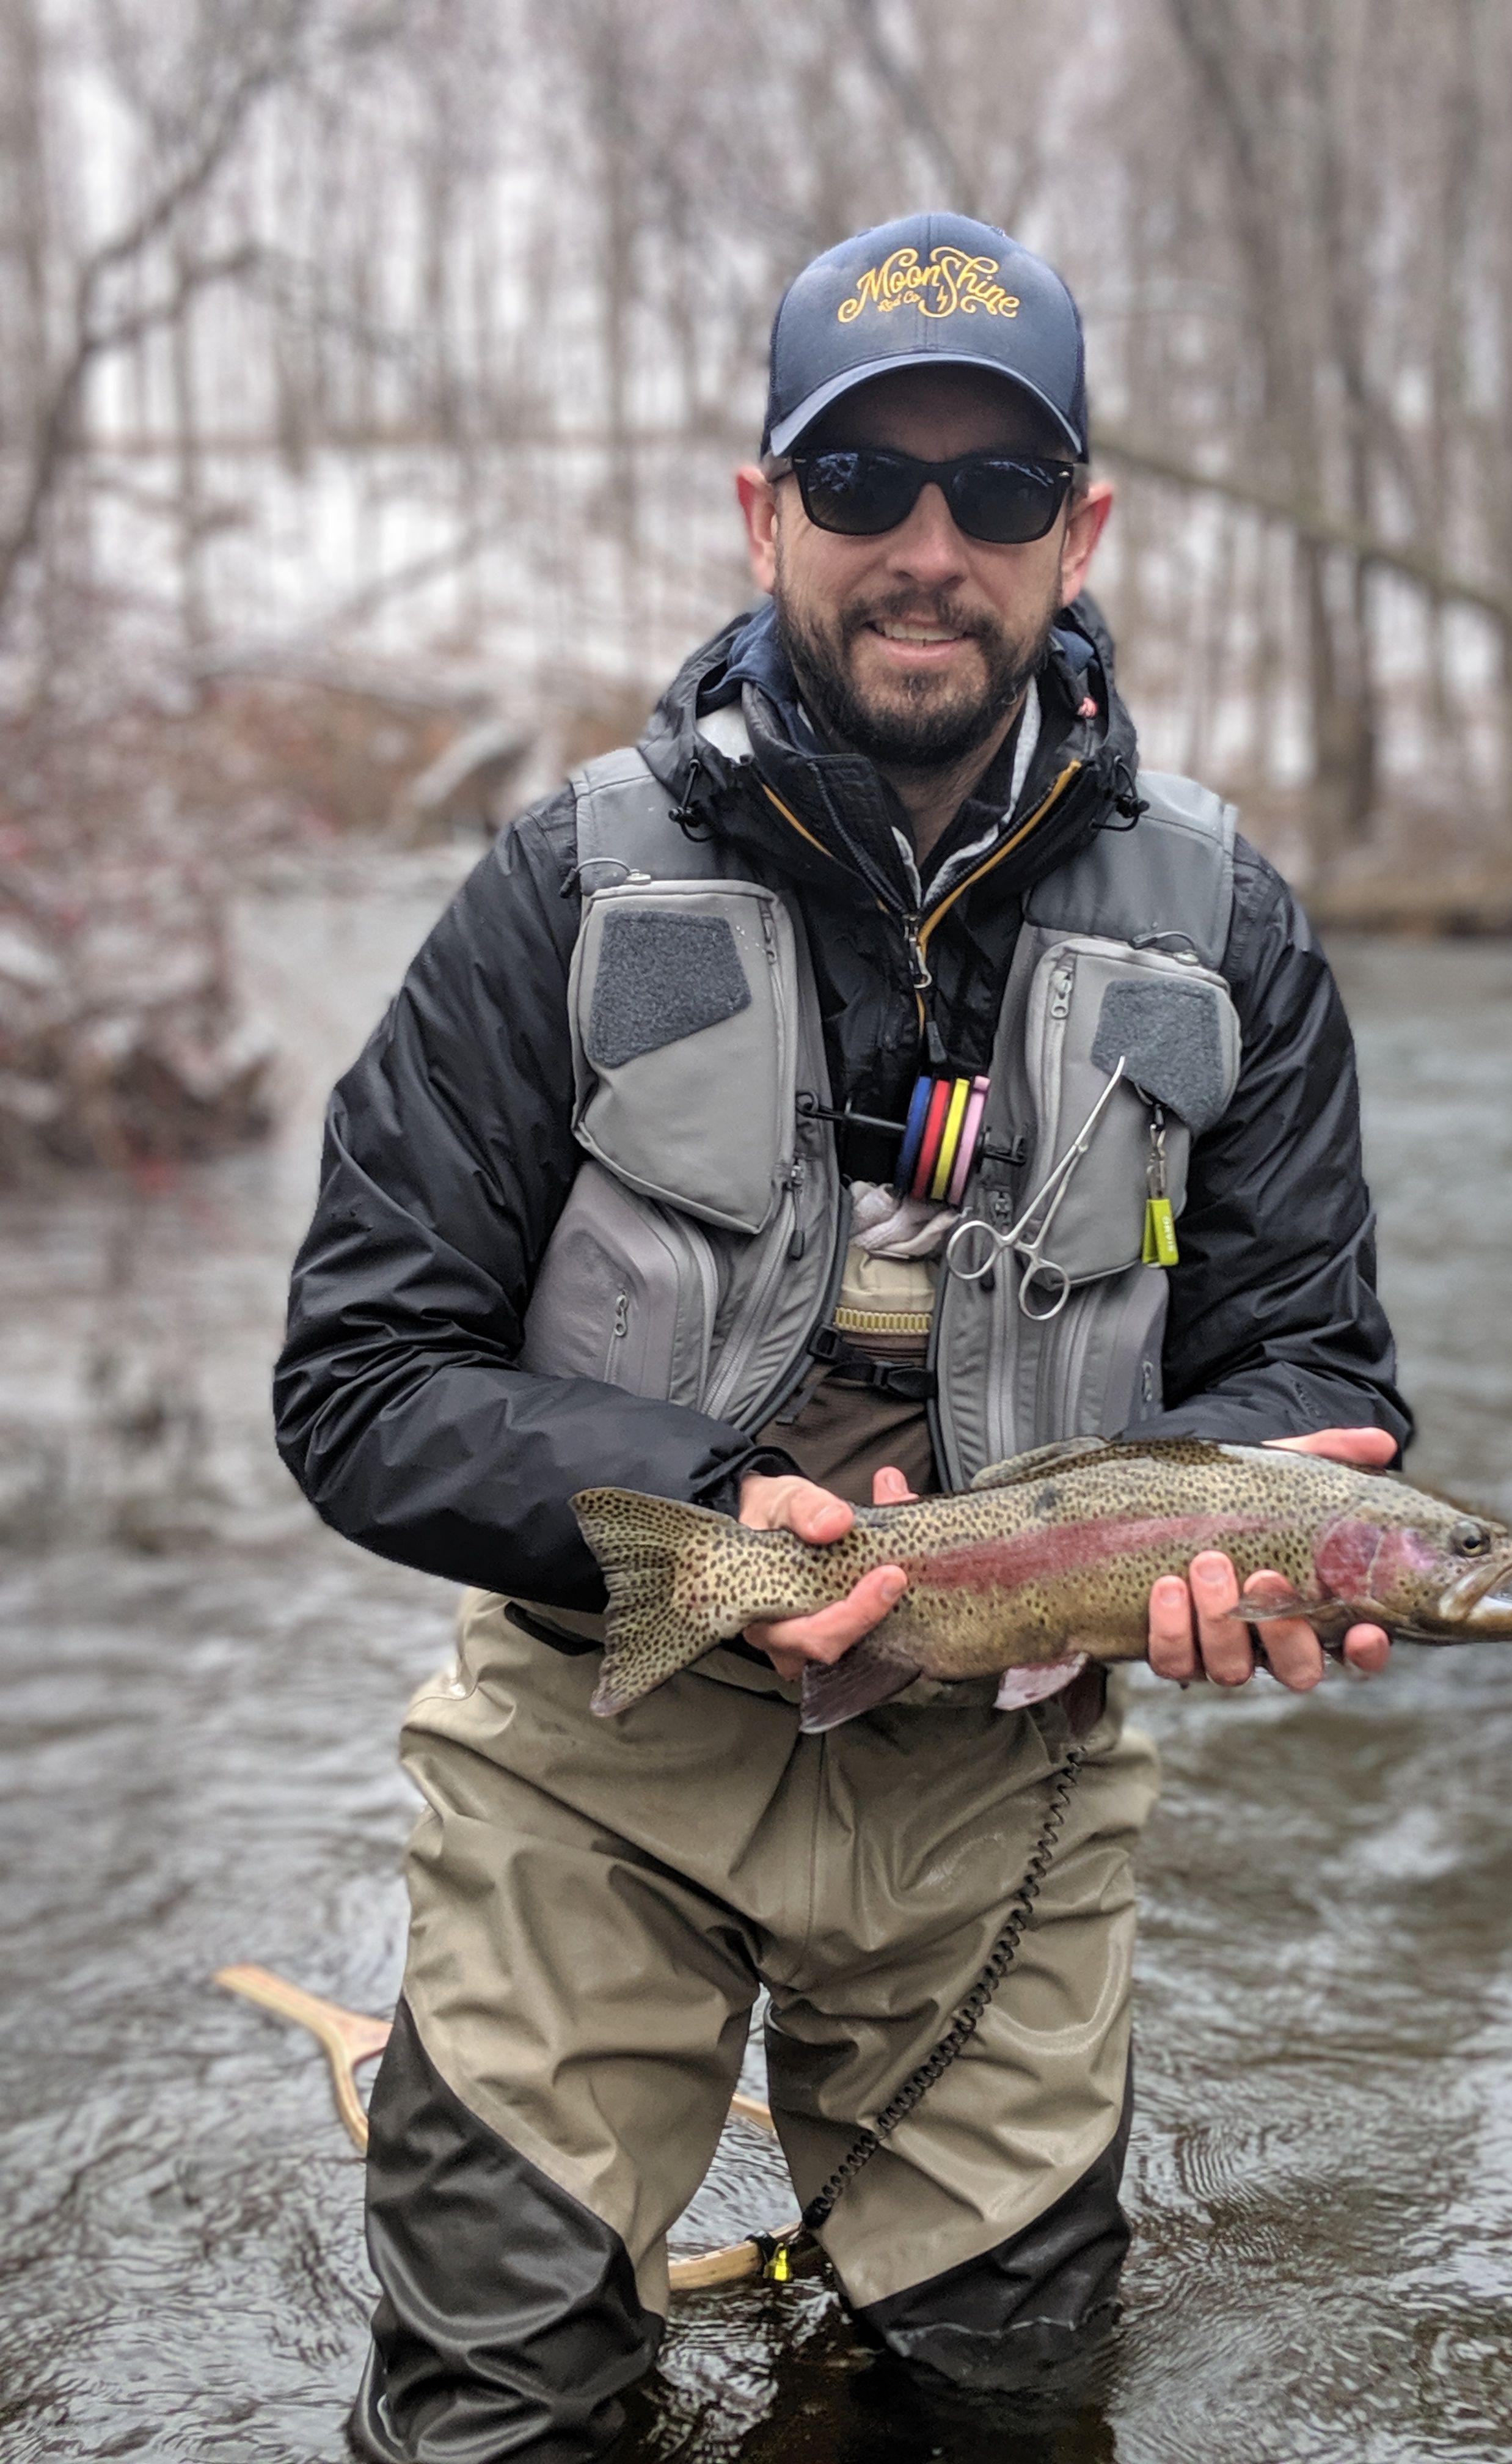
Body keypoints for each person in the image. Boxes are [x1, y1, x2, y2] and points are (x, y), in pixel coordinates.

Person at [274, 211, 1412, 2462]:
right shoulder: (565, 889)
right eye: (863, 482)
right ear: (761, 510)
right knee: (500, 2421)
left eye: (997, 495)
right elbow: (356, 1379)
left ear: (1078, 534)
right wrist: (709, 1518)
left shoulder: (1227, 924)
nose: (929, 548)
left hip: (1011, 1771)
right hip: (596, 1751)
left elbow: (1323, 1377)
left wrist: (1243, 1539)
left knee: (992, 2416)